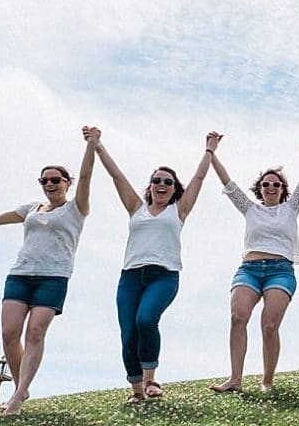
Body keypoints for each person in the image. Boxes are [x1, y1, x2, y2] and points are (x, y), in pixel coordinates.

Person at [0, 126, 98, 415]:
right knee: (8, 333)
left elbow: (87, 176)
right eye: (44, 180)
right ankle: (22, 386)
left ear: (67, 183)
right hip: (20, 274)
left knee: (36, 332)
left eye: (55, 180)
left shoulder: (76, 208)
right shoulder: (32, 208)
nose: (49, 184)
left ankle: (15, 399)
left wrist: (91, 145)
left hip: (53, 277)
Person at [91, 129, 219, 402]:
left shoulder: (179, 210)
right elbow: (117, 176)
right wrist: (98, 145)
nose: (161, 184)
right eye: (156, 180)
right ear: (150, 185)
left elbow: (199, 178)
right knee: (128, 333)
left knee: (146, 319)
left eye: (168, 182)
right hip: (130, 276)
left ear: (174, 189)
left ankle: (150, 380)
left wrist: (209, 150)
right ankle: (136, 390)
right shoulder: (136, 207)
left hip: (164, 276)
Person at [208, 137, 299, 393]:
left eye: (276, 184)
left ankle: (267, 379)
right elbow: (228, 183)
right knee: (238, 317)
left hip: (280, 271)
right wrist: (211, 153)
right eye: (266, 184)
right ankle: (235, 379)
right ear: (260, 188)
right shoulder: (249, 208)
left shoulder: (291, 208)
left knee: (269, 325)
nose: (271, 187)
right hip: (249, 270)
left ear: (282, 189)